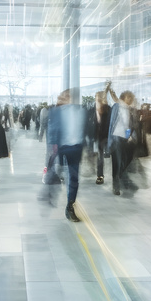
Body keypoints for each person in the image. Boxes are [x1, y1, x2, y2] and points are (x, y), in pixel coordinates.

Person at [45, 90, 86, 222]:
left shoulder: (79, 111)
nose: (67, 99)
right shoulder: (56, 112)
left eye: (69, 97)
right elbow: (51, 130)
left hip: (75, 149)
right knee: (56, 173)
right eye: (65, 96)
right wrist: (52, 148)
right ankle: (50, 194)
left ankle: (70, 206)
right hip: (61, 148)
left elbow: (84, 129)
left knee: (74, 179)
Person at [106, 81, 138, 196]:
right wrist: (109, 89)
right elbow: (111, 124)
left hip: (125, 138)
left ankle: (120, 177)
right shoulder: (117, 107)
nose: (131, 99)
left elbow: (130, 125)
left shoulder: (130, 109)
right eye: (130, 97)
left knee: (126, 160)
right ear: (124, 97)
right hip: (116, 138)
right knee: (116, 162)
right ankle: (116, 185)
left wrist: (130, 136)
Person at [95, 90, 111, 185]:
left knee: (109, 156)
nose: (98, 100)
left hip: (107, 136)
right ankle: (100, 175)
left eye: (99, 98)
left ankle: (117, 176)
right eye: (97, 98)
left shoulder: (108, 109)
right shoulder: (92, 109)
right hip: (97, 137)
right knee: (100, 156)